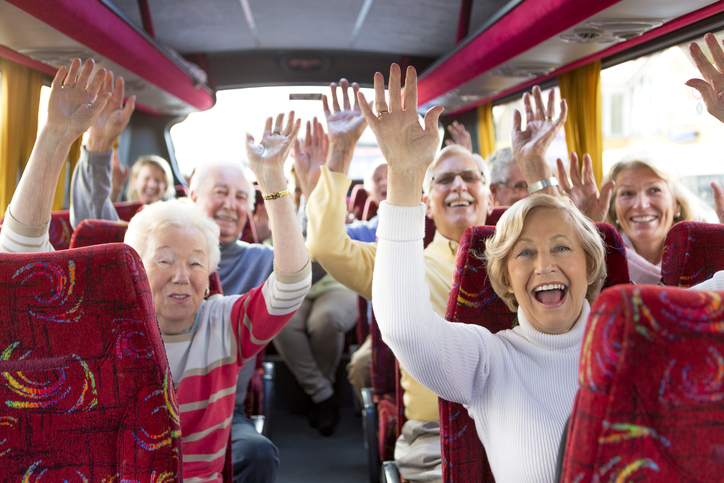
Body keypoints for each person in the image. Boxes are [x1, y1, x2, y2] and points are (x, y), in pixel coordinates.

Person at [0, 58, 312, 483]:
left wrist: (273, 180)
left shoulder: (223, 323)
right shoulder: (103, 323)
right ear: (136, 274)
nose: (182, 275)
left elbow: (292, 284)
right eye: (164, 260)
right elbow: (21, 259)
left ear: (208, 283)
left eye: (196, 263)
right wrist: (55, 136)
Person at [363, 63, 607, 482]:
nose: (545, 264)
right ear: (506, 281)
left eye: (562, 248)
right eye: (524, 254)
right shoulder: (490, 359)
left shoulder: (638, 341)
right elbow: (405, 328)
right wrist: (404, 177)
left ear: (590, 264)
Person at [68, 66, 283, 482]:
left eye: (242, 196)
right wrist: (95, 149)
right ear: (193, 196)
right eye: (220, 192)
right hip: (138, 399)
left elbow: (297, 272)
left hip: (221, 406)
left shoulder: (261, 260)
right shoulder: (152, 249)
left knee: (257, 454)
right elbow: (97, 232)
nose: (230, 204)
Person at [304, 77, 494, 481]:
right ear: (425, 204)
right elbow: (325, 245)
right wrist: (340, 149)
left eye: (470, 176)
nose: (458, 185)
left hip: (516, 417)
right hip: (436, 435)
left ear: (490, 198)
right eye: (443, 179)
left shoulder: (526, 260)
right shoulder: (397, 264)